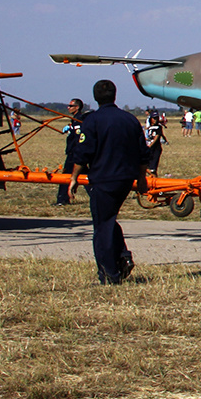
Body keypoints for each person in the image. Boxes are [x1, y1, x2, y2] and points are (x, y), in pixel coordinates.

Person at [68, 80, 148, 284]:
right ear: (115, 95)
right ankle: (122, 255)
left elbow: (83, 153)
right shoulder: (130, 120)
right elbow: (142, 154)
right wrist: (141, 179)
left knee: (102, 226)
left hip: (103, 179)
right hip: (125, 179)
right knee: (109, 218)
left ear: (95, 98)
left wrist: (74, 178)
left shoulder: (92, 121)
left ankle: (110, 273)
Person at [54, 98, 85, 205]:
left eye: (70, 106)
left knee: (66, 176)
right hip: (75, 153)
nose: (68, 108)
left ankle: (62, 199)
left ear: (77, 107)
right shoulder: (74, 120)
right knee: (86, 177)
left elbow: (78, 138)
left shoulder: (79, 120)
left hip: (75, 154)